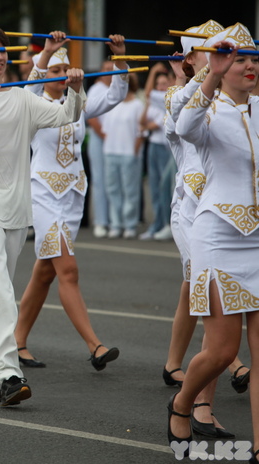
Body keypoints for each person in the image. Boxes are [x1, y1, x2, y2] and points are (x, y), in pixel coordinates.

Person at [0, 24, 85, 407]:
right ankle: (8, 372)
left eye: (3, 49)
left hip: (16, 210)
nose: (0, 55)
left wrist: (74, 86)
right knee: (4, 290)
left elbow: (66, 116)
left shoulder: (23, 99)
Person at [168, 23, 259, 459]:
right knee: (223, 350)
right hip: (218, 236)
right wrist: (211, 74)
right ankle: (182, 403)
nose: (249, 66)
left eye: (254, 59)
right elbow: (183, 126)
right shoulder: (205, 111)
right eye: (240, 59)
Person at [13, 32, 126, 370]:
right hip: (44, 194)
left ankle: (16, 341)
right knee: (68, 270)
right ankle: (95, 345)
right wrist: (45, 55)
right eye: (54, 70)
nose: (62, 75)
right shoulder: (31, 104)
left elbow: (118, 93)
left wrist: (119, 56)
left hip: (73, 195)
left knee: (45, 273)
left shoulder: (78, 100)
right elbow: (28, 89)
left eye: (66, 69)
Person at [102, 73, 144, 239]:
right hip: (110, 152)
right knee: (112, 190)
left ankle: (130, 224)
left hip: (129, 154)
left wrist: (135, 151)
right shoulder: (112, 104)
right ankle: (116, 223)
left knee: (130, 191)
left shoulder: (137, 105)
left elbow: (140, 132)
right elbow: (106, 129)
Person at [139, 63, 174, 241]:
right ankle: (157, 224)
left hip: (165, 149)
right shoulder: (157, 102)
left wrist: (152, 71)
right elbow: (143, 121)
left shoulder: (168, 97)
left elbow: (151, 125)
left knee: (165, 187)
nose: (161, 87)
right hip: (153, 145)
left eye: (164, 83)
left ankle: (166, 224)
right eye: (158, 84)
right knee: (154, 188)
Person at [85, 61, 115, 238]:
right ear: (101, 72)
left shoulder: (114, 89)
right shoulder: (96, 90)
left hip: (113, 141)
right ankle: (101, 221)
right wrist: (105, 137)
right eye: (106, 70)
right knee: (100, 180)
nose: (109, 73)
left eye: (112, 70)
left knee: (112, 181)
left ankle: (112, 219)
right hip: (99, 139)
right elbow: (91, 117)